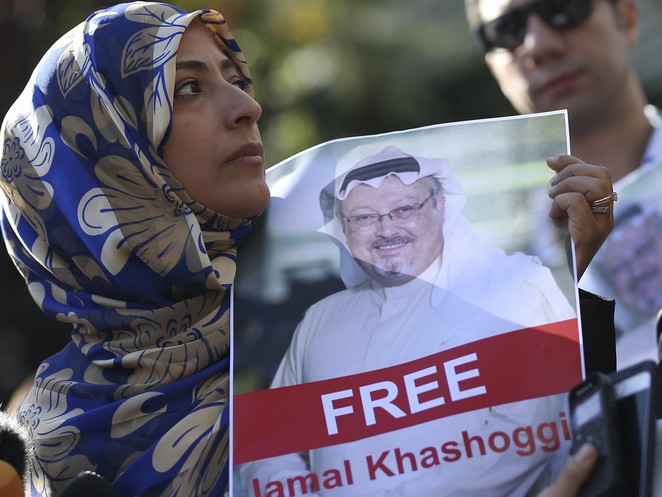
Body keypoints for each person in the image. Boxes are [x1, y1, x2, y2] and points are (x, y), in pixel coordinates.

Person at [0, 2, 268, 496]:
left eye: (235, 79)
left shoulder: (342, 307)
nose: (248, 107)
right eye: (189, 88)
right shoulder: (32, 459)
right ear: (103, 159)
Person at [238, 145, 615, 496]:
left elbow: (523, 442)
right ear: (344, 228)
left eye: (404, 209)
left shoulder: (517, 289)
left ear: (440, 208)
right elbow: (270, 446)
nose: (386, 230)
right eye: (364, 217)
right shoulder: (321, 320)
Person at [464, 0, 662, 368]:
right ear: (494, 66)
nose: (538, 45)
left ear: (627, 18)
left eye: (563, 9)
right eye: (507, 30)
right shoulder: (480, 269)